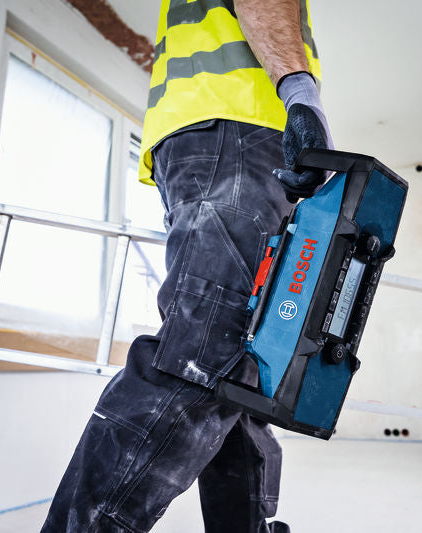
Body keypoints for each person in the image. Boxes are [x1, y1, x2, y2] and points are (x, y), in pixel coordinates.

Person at [42, 1, 332, 531]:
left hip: (217, 134)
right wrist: (300, 93)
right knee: (204, 349)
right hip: (238, 125)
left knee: (241, 362)